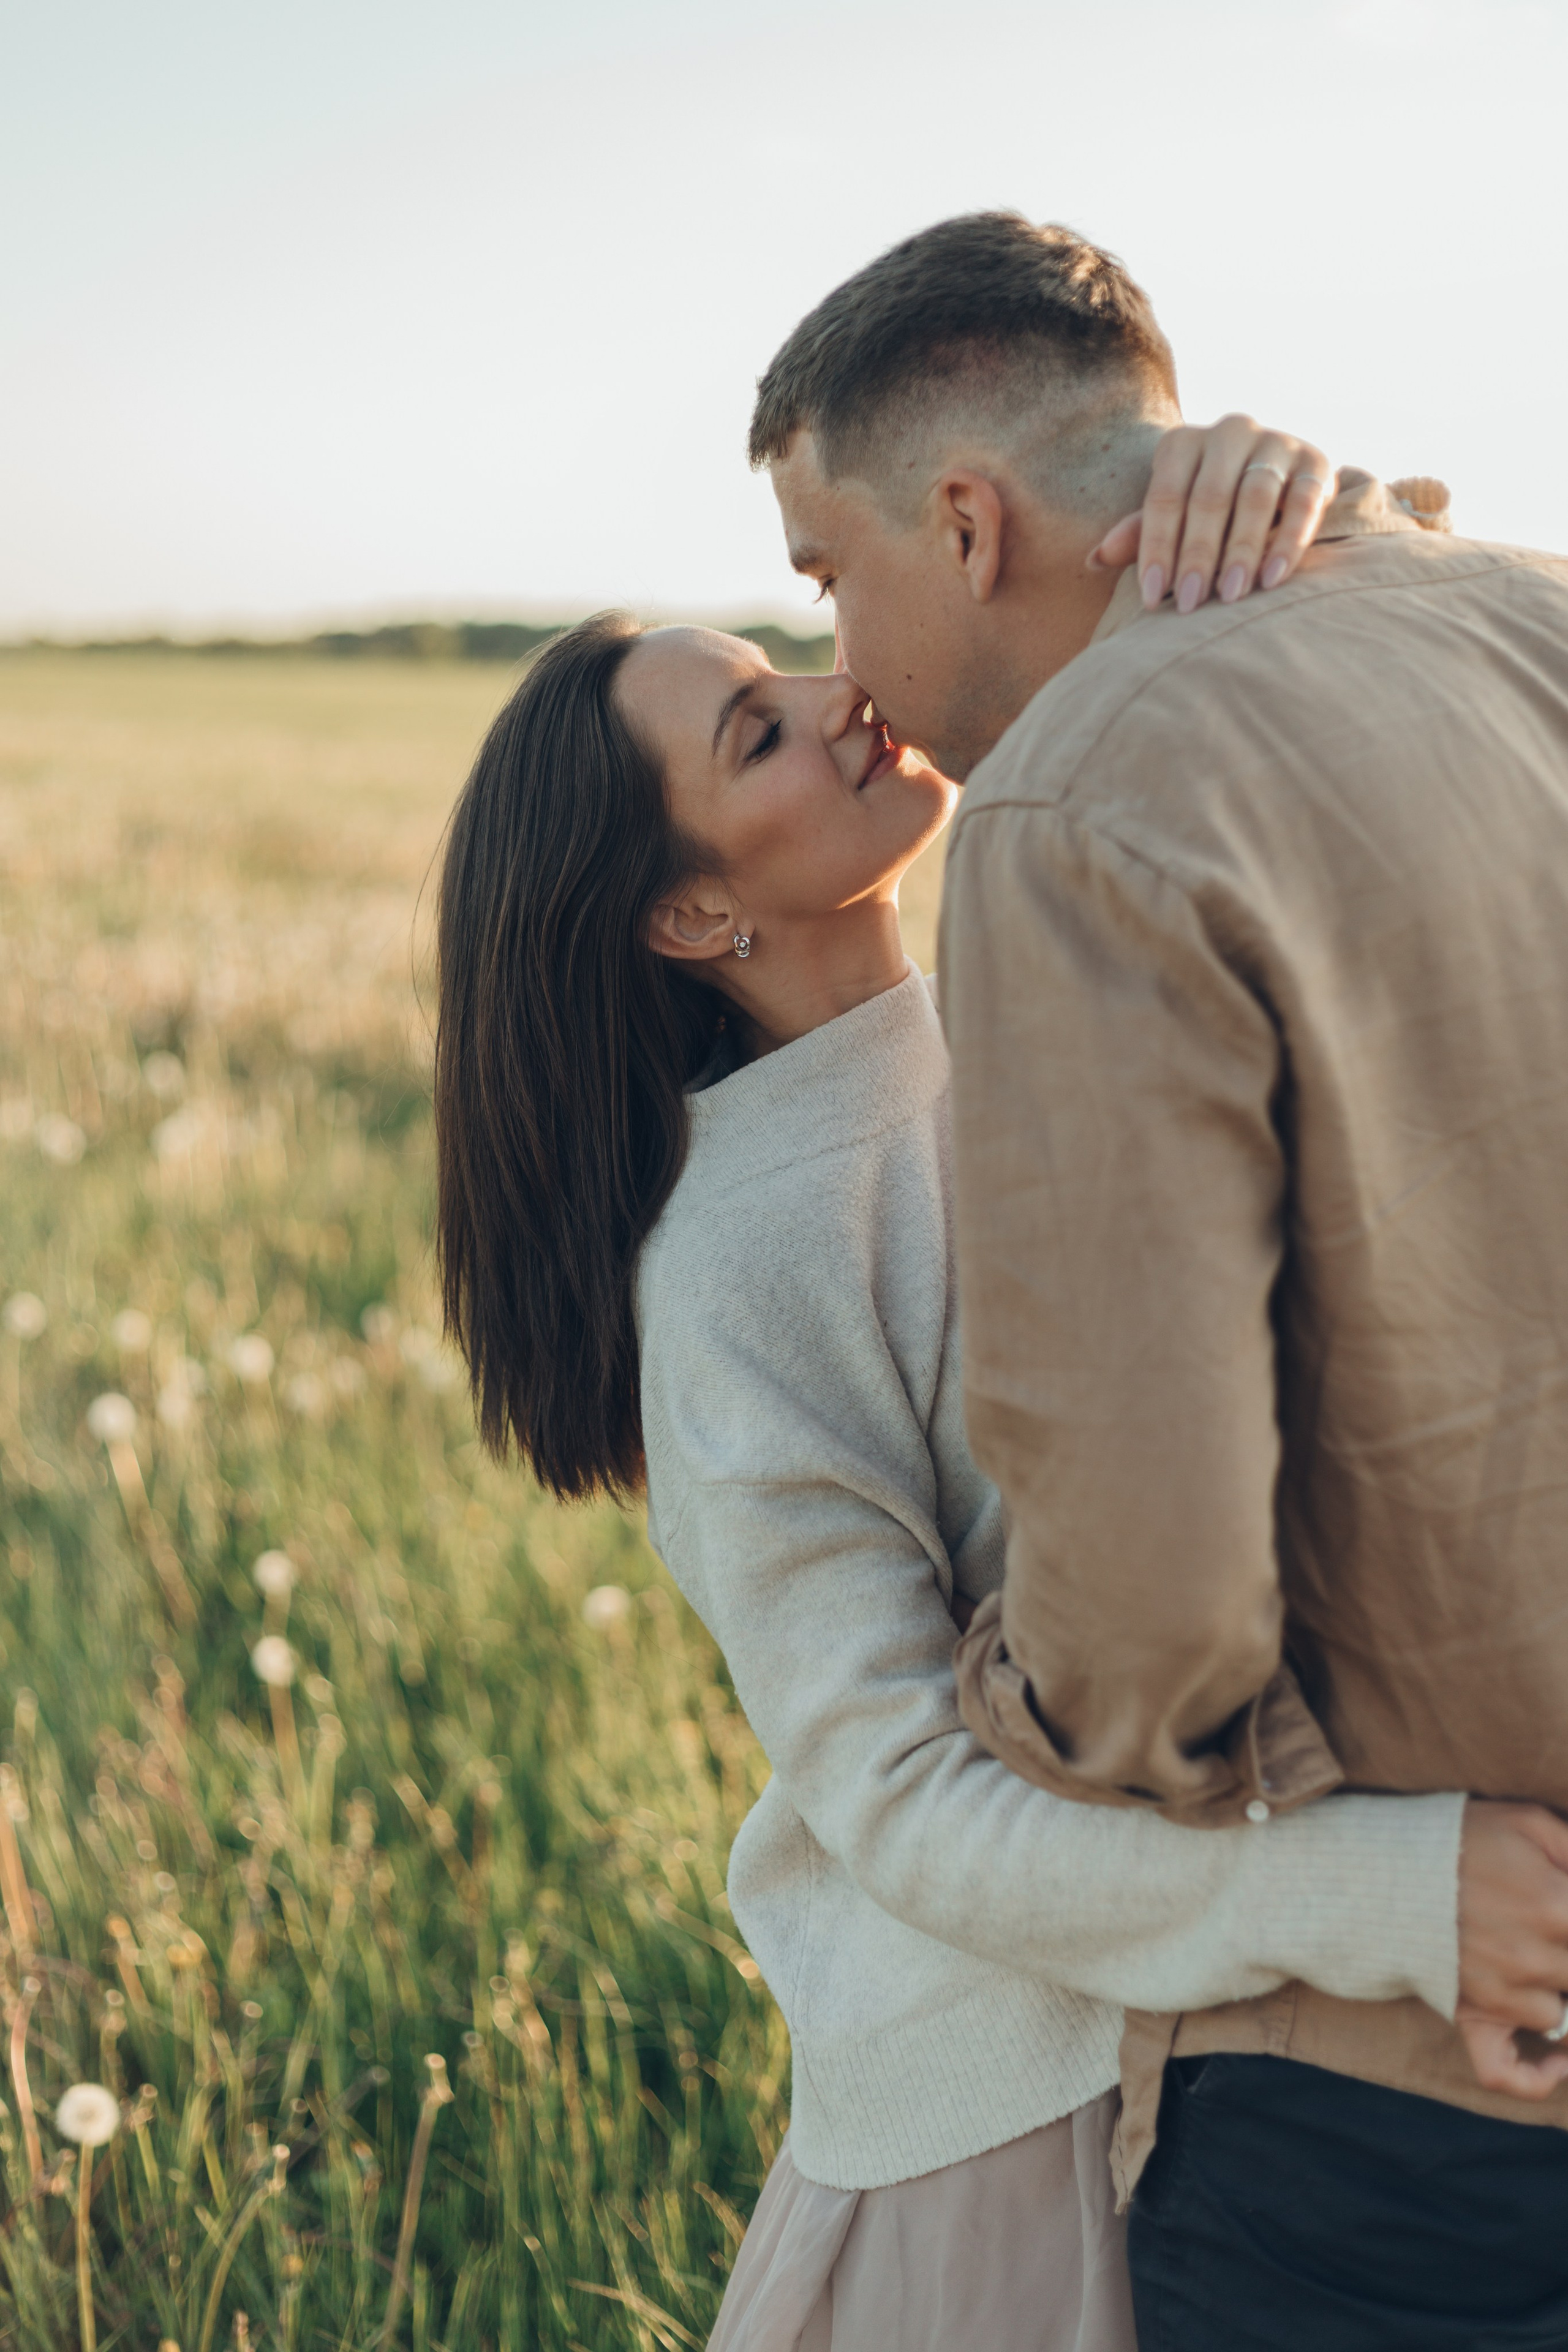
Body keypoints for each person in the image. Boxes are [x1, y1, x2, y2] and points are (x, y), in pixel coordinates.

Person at [433, 426, 1561, 2352]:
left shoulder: (1029, 1002)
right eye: (759, 736)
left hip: (1234, 2045)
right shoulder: (742, 1266)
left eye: (787, 666)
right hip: (1025, 2129)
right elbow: (902, 1808)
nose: (838, 698)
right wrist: (1388, 1897)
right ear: (693, 916)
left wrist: (1261, 480)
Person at [748, 209, 1568, 2348]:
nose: (842, 668)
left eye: (827, 578)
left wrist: (1009, 1705)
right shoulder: (1531, 612)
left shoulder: (1069, 810)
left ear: (963, 523)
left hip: (1413, 2091)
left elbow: (1152, 1610)